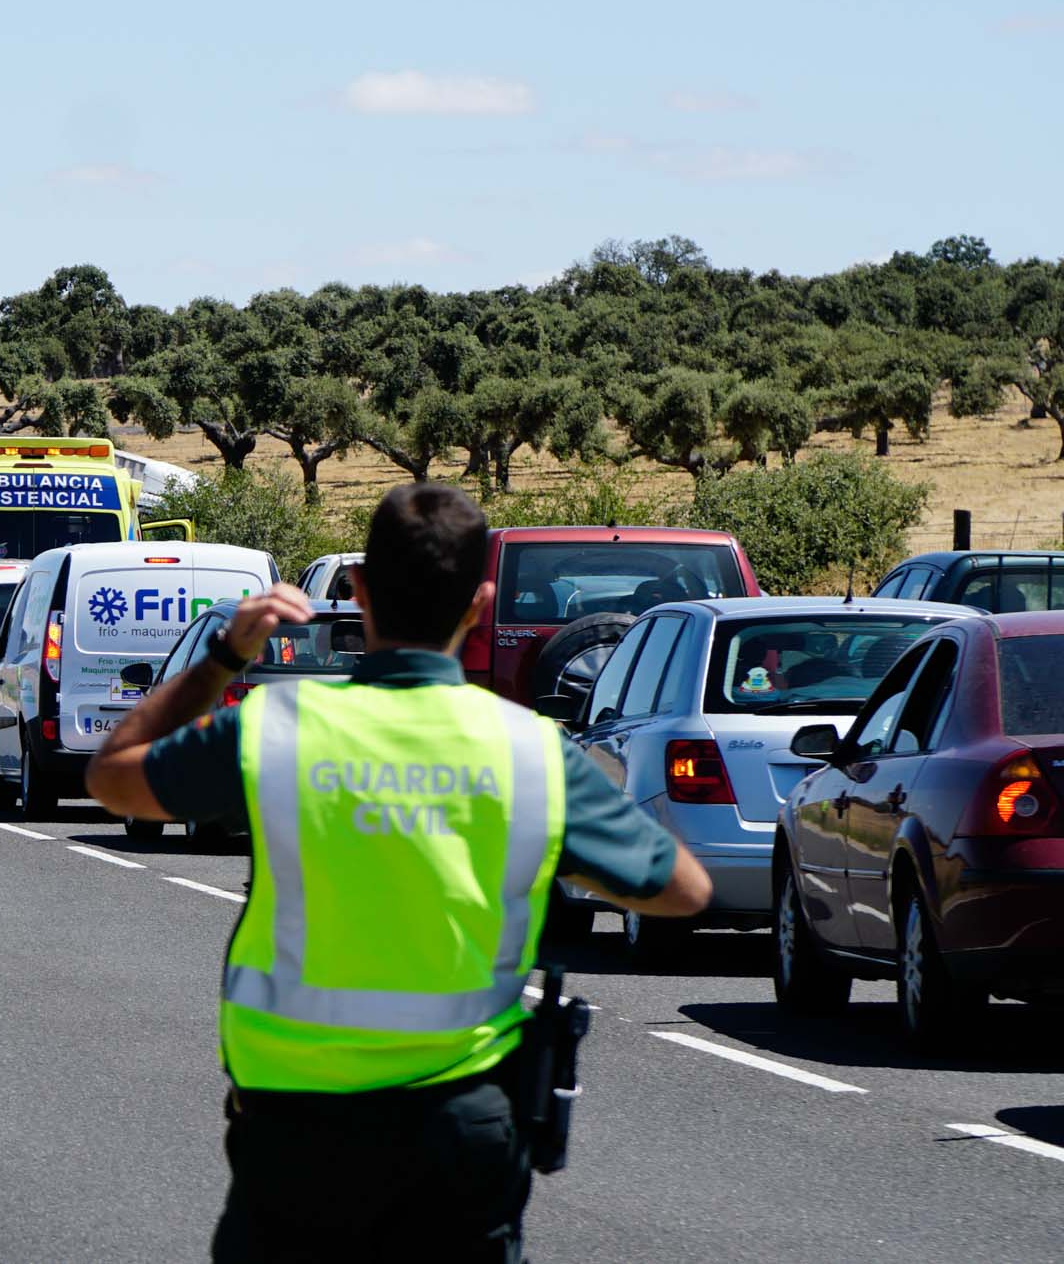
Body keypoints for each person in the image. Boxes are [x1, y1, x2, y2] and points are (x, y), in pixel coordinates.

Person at [86, 483, 713, 1263]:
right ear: (481, 604)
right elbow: (684, 889)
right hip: (461, 1132)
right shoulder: (530, 751)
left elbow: (111, 777)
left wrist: (223, 657)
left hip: (294, 1138)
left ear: (357, 592)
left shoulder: (278, 729)